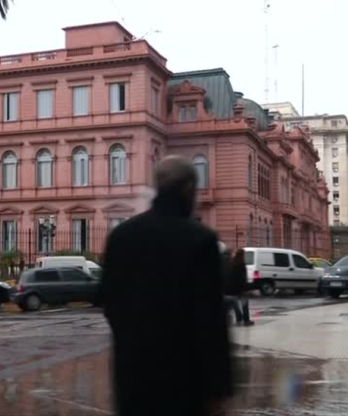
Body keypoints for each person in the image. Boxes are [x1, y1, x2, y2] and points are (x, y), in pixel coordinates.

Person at [101, 155, 233, 416]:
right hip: (185, 378)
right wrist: (218, 388)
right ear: (188, 189)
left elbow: (108, 302)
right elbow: (211, 319)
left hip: (133, 375)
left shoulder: (121, 236)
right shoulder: (201, 239)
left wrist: (132, 341)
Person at [225, 248, 254, 326]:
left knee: (235, 303)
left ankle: (239, 318)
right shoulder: (242, 265)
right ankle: (246, 320)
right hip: (241, 288)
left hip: (233, 288)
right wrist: (246, 288)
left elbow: (231, 276)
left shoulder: (232, 263)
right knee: (244, 304)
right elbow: (242, 278)